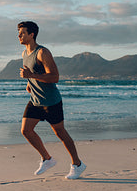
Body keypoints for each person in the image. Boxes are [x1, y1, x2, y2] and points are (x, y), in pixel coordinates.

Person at [17, 21, 86, 179]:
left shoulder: (42, 52)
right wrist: (30, 83)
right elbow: (32, 72)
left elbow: (55, 77)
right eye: (19, 33)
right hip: (35, 100)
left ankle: (77, 164)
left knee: (60, 133)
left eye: (22, 33)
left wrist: (31, 76)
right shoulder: (24, 54)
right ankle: (47, 159)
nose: (19, 36)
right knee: (26, 130)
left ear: (31, 34)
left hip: (51, 101)